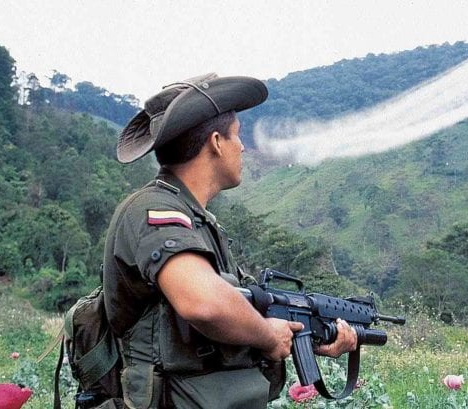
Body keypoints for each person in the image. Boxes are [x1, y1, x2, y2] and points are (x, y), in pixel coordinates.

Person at [102, 73, 357, 408]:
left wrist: (305, 334)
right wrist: (268, 336)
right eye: (237, 136)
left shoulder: (198, 221)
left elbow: (237, 311)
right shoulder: (156, 209)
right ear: (216, 142)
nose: (243, 147)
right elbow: (203, 303)